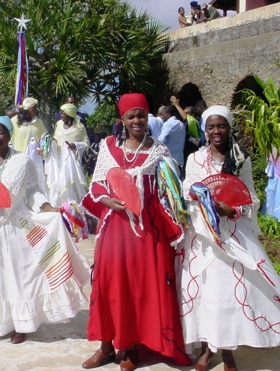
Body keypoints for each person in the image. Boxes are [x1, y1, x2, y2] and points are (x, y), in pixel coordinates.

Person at [176, 106, 280, 371]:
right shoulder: (195, 159)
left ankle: (228, 349)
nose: (215, 131)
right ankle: (205, 349)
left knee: (227, 295)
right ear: (205, 129)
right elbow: (187, 189)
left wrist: (232, 209)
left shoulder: (240, 160)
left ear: (229, 127)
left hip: (232, 235)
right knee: (204, 294)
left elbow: (252, 198)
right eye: (210, 127)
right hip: (203, 236)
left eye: (221, 126)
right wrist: (202, 200)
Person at [81, 93, 192, 371]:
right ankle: (106, 347)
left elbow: (170, 192)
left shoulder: (159, 151)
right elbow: (96, 185)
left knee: (137, 287)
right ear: (122, 120)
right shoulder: (108, 147)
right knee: (108, 284)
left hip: (145, 231)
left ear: (148, 117)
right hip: (114, 229)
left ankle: (130, 346)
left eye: (141, 114)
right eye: (131, 116)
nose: (137, 120)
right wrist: (107, 200)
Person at [0, 115, 90, 343]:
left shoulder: (22, 162)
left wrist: (49, 208)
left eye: (1, 132)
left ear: (9, 135)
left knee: (17, 275)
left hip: (14, 227)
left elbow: (32, 192)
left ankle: (21, 323)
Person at [45, 103, 89, 207]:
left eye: (63, 113)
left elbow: (87, 144)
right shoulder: (58, 124)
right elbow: (55, 137)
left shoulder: (80, 127)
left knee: (71, 185)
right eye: (61, 112)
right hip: (58, 160)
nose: (61, 115)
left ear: (69, 114)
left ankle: (74, 208)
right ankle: (59, 206)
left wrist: (75, 146)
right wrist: (51, 142)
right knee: (58, 182)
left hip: (72, 163)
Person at [10, 97, 47, 192]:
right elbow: (10, 137)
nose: (35, 111)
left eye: (35, 108)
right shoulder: (15, 121)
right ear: (26, 110)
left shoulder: (38, 122)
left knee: (35, 175)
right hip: (21, 153)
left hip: (35, 154)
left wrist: (43, 146)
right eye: (33, 109)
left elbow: (44, 136)